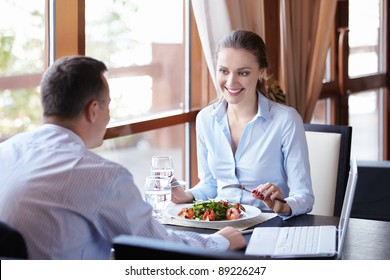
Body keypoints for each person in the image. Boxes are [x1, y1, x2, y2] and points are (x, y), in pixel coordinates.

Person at [0, 56, 245, 259]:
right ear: (93, 110)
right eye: (107, 106)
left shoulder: (6, 152)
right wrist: (219, 241)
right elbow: (160, 249)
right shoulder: (99, 175)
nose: (109, 116)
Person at [172, 30, 314, 219]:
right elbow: (211, 184)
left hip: (267, 225)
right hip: (219, 226)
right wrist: (185, 195)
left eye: (243, 73)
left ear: (261, 73)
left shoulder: (285, 120)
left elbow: (304, 196)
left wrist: (283, 206)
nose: (231, 82)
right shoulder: (205, 119)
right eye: (224, 71)